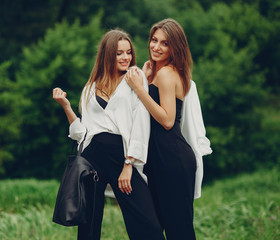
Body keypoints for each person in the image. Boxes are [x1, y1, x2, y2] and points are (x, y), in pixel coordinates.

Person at [53, 29, 165, 240]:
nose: (126, 57)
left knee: (146, 222)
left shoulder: (135, 77)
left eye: (128, 52)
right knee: (89, 225)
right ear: (107, 54)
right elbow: (82, 133)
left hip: (121, 156)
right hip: (91, 158)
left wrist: (129, 163)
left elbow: (141, 121)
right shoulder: (91, 87)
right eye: (119, 53)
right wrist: (66, 106)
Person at [125, 18, 198, 239]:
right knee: (157, 226)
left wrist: (140, 89)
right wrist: (146, 81)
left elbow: (167, 121)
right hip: (160, 159)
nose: (156, 47)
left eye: (164, 43)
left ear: (175, 47)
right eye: (154, 40)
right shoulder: (160, 72)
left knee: (179, 229)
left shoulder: (167, 73)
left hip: (172, 158)